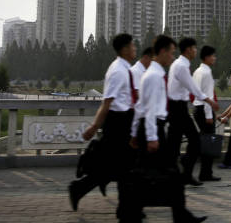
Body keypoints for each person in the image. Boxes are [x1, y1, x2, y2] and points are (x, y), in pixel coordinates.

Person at [124, 35, 207, 223]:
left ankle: (134, 212)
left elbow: (140, 107)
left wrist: (135, 132)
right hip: (153, 130)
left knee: (147, 174)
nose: (172, 56)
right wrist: (152, 137)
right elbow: (151, 109)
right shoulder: (154, 76)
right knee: (165, 174)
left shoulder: (153, 73)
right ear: (161, 52)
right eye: (171, 52)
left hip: (147, 129)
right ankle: (135, 212)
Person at [68, 33, 137, 215]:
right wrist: (94, 126)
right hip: (117, 124)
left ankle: (80, 189)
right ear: (124, 49)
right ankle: (126, 210)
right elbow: (106, 103)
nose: (134, 49)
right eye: (132, 46)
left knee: (118, 168)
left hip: (124, 121)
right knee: (124, 168)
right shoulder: (117, 71)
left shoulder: (124, 69)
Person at [167, 38, 219, 186]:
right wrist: (209, 102)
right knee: (195, 141)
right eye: (194, 48)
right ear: (188, 49)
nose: (195, 51)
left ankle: (178, 173)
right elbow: (194, 88)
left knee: (174, 143)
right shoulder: (182, 66)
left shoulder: (181, 65)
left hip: (178, 107)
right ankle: (184, 172)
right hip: (179, 108)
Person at [192, 45, 220, 182]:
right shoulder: (207, 73)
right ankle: (206, 173)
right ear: (207, 57)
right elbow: (207, 95)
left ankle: (204, 172)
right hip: (204, 110)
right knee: (208, 142)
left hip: (197, 109)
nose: (214, 58)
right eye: (213, 56)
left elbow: (195, 92)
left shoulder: (197, 71)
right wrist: (209, 116)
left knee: (203, 140)